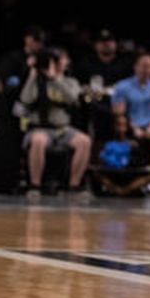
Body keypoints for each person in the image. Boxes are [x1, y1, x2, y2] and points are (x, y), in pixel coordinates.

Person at [19, 47, 91, 197]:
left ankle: (74, 185)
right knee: (38, 141)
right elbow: (25, 99)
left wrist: (56, 79)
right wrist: (32, 76)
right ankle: (35, 185)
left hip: (63, 129)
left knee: (84, 141)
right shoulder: (37, 81)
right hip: (39, 128)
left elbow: (73, 98)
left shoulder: (70, 81)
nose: (64, 63)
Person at [112, 52, 150, 152]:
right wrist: (134, 128)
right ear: (135, 67)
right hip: (130, 128)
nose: (147, 70)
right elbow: (120, 113)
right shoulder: (122, 86)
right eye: (144, 66)